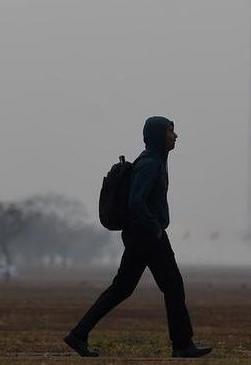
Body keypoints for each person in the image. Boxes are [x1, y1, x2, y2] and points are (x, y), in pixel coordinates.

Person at [64, 116, 212, 358]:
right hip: (147, 236)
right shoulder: (150, 164)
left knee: (122, 288)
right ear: (157, 136)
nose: (175, 136)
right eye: (170, 132)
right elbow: (136, 200)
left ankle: (78, 334)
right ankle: (182, 345)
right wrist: (154, 227)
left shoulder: (153, 161)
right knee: (173, 286)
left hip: (141, 235)